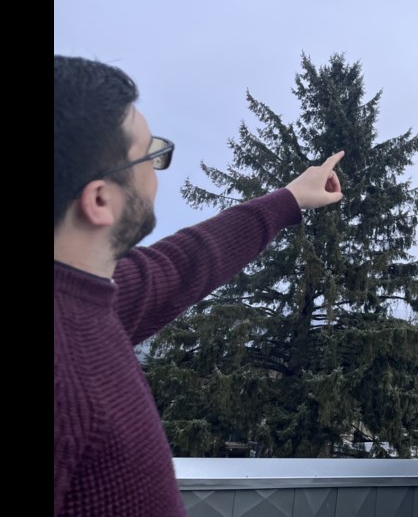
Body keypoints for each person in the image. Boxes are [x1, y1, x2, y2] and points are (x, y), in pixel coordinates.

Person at [53, 55, 345, 516]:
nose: (157, 172)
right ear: (100, 199)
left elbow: (182, 264)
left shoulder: (89, 300)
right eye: (151, 155)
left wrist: (290, 198)